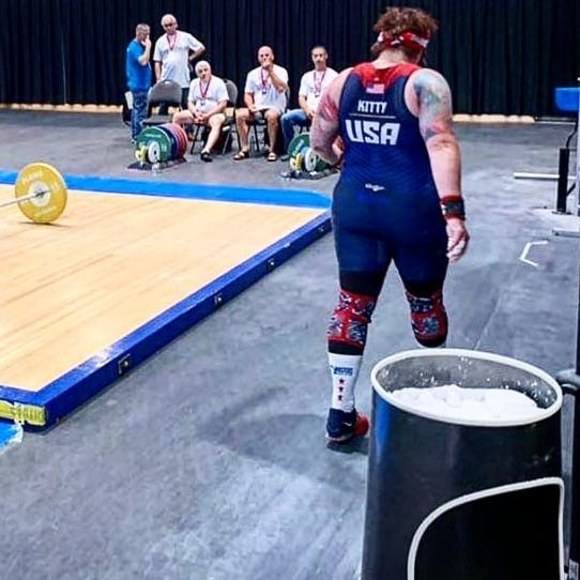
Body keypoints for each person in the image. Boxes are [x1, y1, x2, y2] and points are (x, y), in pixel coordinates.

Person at [310, 6, 470, 443]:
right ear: (420, 46)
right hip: (412, 212)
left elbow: (318, 141)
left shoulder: (343, 81)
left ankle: (340, 413)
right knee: (425, 306)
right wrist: (453, 213)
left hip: (356, 207)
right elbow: (441, 142)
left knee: (352, 306)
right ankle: (435, 404)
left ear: (381, 40)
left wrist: (344, 162)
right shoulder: (425, 83)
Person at [280, 46, 338, 157]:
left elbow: (335, 98)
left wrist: (321, 112)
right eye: (315, 56)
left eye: (321, 55)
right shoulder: (307, 76)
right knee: (285, 118)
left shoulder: (334, 76)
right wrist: (307, 110)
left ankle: (324, 152)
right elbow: (301, 97)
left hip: (325, 113)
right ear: (312, 58)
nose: (318, 58)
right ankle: (290, 150)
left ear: (326, 56)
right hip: (307, 112)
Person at [234, 46, 289, 162]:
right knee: (239, 114)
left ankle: (272, 150)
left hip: (275, 106)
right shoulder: (252, 74)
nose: (264, 58)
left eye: (267, 55)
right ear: (258, 58)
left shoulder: (281, 71)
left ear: (272, 57)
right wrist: (250, 105)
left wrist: (270, 71)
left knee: (271, 116)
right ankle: (245, 148)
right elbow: (248, 94)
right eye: (262, 56)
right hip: (258, 108)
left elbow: (281, 89)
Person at [172, 61, 229, 162]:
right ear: (197, 74)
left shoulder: (218, 83)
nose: (203, 73)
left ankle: (206, 150)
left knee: (216, 122)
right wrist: (195, 113)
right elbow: (190, 102)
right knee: (177, 117)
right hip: (198, 113)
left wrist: (207, 115)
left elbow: (223, 104)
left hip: (215, 114)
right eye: (200, 71)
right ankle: (177, 146)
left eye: (205, 70)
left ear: (210, 70)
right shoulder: (194, 83)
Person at [153, 14, 206, 112]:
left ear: (176, 25)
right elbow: (157, 61)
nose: (168, 27)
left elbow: (201, 47)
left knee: (185, 106)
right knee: (163, 107)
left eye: (170, 24)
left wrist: (190, 58)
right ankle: (162, 122)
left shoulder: (185, 36)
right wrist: (158, 79)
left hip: (183, 79)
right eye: (166, 26)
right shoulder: (160, 41)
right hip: (167, 79)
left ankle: (188, 122)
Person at [125, 23, 152, 143]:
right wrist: (148, 47)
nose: (147, 38)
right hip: (139, 84)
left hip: (141, 83)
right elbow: (143, 61)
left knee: (137, 110)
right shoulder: (134, 47)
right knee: (140, 112)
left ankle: (135, 135)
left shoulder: (138, 46)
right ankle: (139, 136)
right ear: (139, 33)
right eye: (145, 35)